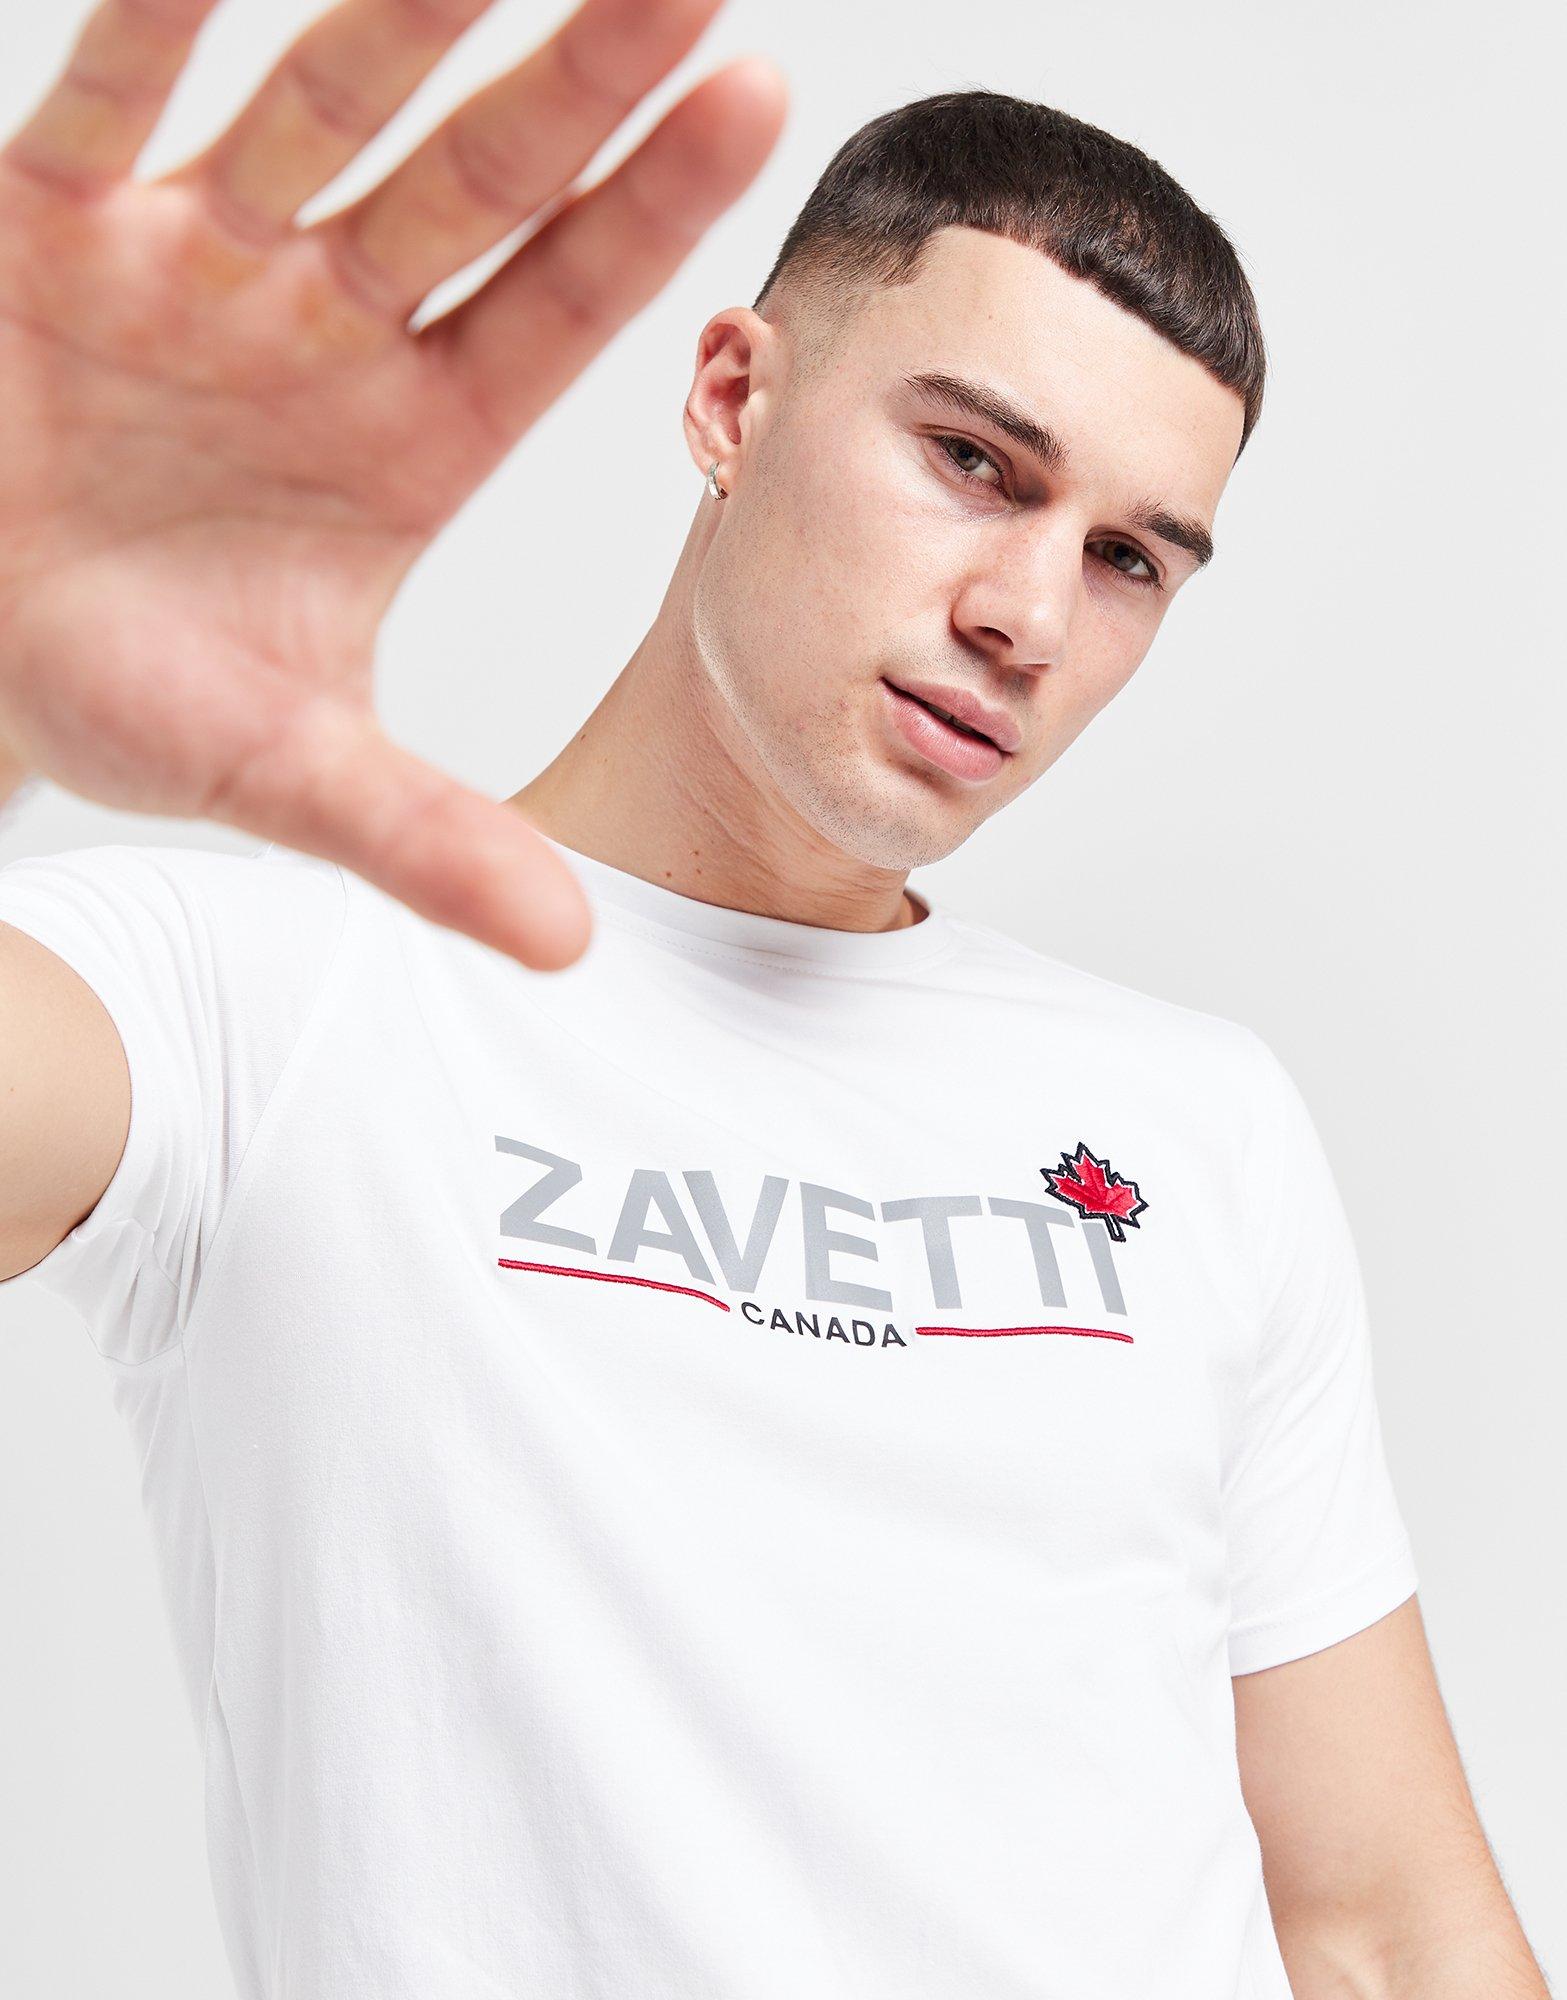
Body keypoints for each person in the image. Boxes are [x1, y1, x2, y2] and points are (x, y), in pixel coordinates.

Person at [0, 1, 1549, 1995]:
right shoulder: (243, 1001)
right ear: (734, 396)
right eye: (973, 461)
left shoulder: (1199, 1121)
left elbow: (1386, 1929)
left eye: (1128, 560)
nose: (1026, 616)